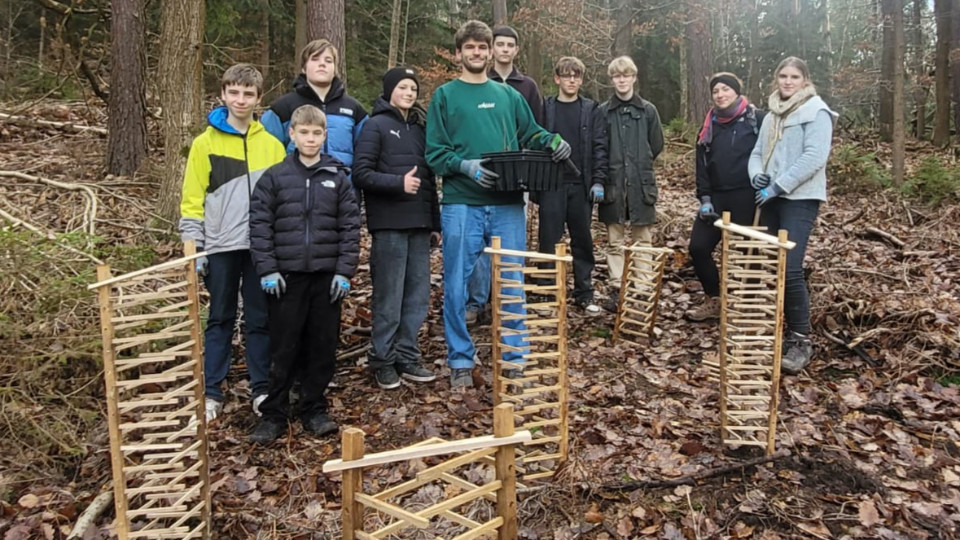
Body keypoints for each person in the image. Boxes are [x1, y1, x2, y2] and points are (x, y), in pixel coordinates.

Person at [425, 20, 571, 388]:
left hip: (507, 204)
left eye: (482, 47)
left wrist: (553, 141)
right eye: (469, 47)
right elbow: (434, 153)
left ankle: (515, 354)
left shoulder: (508, 95)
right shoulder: (444, 96)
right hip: (462, 204)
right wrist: (464, 166)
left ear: (491, 52)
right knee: (456, 284)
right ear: (458, 54)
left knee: (511, 281)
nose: (477, 53)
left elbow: (532, 133)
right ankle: (460, 357)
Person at [247, 105, 361, 443]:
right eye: (304, 132)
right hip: (286, 278)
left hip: (326, 279)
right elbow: (260, 225)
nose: (310, 139)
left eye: (316, 133)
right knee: (283, 345)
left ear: (324, 136)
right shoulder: (275, 177)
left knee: (322, 345)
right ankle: (274, 412)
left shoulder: (338, 178)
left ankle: (314, 407)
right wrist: (267, 269)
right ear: (292, 135)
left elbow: (351, 227)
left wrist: (344, 271)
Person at [179, 63, 285, 422]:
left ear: (259, 99)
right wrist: (194, 245)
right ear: (223, 94)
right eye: (234, 92)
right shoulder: (204, 144)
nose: (241, 100)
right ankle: (211, 391)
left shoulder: (272, 146)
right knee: (220, 318)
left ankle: (261, 389)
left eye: (248, 94)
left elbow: (281, 201)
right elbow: (192, 198)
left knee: (259, 319)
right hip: (220, 245)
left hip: (260, 249)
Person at [748, 56, 837, 375]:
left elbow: (814, 157)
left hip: (800, 198)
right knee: (771, 265)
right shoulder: (773, 114)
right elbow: (758, 153)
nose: (788, 81)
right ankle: (776, 329)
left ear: (805, 80)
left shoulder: (817, 111)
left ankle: (801, 339)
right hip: (770, 197)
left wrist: (779, 185)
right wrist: (756, 176)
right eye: (783, 76)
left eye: (794, 77)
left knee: (791, 266)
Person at [353, 66, 439, 390]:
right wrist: (397, 183)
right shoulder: (375, 126)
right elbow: (360, 173)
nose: (409, 93)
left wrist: (435, 222)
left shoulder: (420, 129)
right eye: (402, 87)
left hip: (419, 225)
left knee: (416, 297)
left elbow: (429, 180)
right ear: (390, 91)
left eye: (413, 88)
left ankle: (407, 355)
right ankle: (383, 360)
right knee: (389, 297)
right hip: (389, 225)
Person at [465, 25, 547, 327]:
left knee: (510, 243)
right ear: (491, 49)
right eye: (499, 44)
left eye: (510, 44)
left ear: (516, 50)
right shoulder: (475, 83)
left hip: (516, 177)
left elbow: (536, 128)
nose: (504, 49)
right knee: (478, 244)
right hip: (480, 173)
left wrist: (534, 173)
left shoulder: (526, 86)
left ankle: (508, 301)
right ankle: (477, 300)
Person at [687, 73, 766, 322]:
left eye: (726, 89)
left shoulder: (758, 119)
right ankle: (715, 300)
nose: (720, 95)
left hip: (748, 196)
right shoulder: (708, 125)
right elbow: (702, 166)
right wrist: (705, 198)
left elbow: (773, 151)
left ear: (736, 91)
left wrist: (769, 184)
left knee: (747, 253)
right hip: (717, 198)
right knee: (698, 247)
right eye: (716, 91)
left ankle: (748, 307)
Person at [538, 56, 608, 315]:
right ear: (557, 78)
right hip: (550, 185)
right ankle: (546, 292)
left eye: (576, 76)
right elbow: (535, 140)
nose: (571, 80)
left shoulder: (591, 109)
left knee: (583, 240)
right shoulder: (546, 108)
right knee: (548, 240)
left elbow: (600, 147)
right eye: (566, 75)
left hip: (581, 186)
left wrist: (598, 181)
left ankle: (584, 293)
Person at [599, 56, 664, 311]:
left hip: (641, 183)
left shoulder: (648, 110)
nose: (622, 80)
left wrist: (639, 165)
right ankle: (617, 288)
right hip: (613, 184)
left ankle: (642, 289)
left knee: (643, 239)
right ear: (612, 79)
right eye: (617, 76)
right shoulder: (604, 111)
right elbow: (600, 146)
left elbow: (656, 144)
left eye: (626, 75)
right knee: (614, 240)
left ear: (634, 78)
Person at [261, 39, 367, 169]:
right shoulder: (283, 107)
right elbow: (266, 151)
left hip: (342, 186)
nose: (322, 64)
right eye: (315, 59)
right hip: (296, 185)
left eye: (328, 61)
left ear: (335, 69)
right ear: (304, 68)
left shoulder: (354, 109)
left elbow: (365, 154)